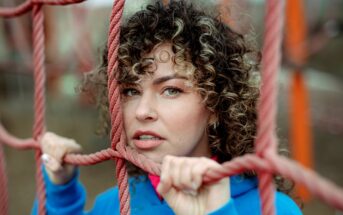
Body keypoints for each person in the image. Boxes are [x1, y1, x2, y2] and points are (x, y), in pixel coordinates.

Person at [32, 1, 302, 214]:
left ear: (216, 106)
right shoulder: (113, 204)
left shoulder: (272, 209)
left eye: (171, 90)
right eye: (130, 91)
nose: (141, 111)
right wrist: (60, 190)